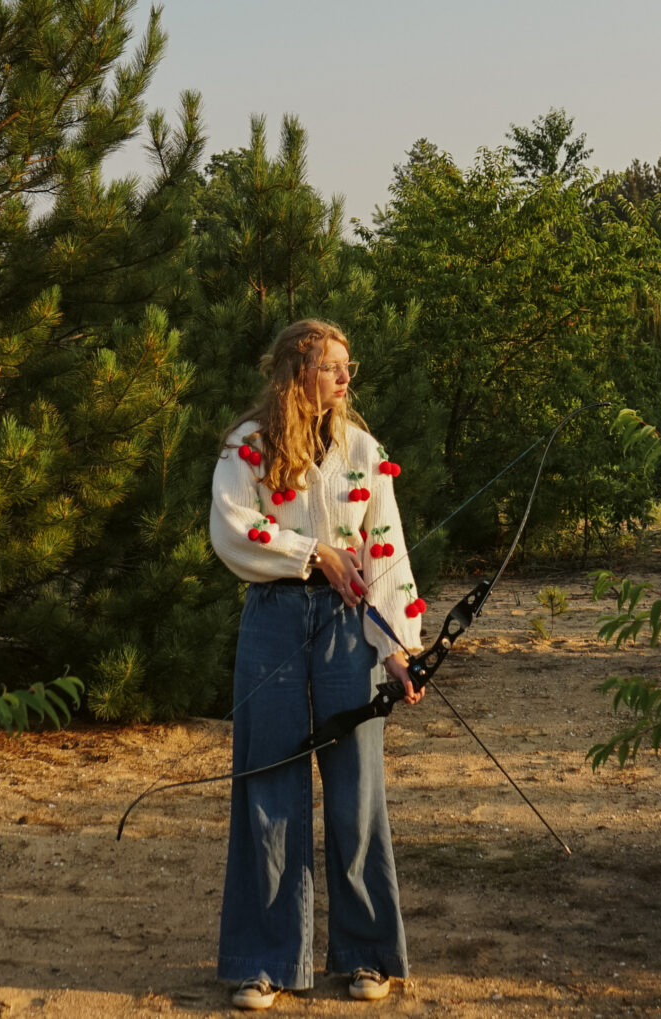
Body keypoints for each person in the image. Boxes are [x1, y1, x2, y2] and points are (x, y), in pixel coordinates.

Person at [206, 319, 428, 1010]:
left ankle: (367, 954)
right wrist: (313, 553)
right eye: (331, 365)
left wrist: (397, 649)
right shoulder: (247, 446)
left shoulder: (363, 449)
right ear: (295, 371)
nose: (344, 377)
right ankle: (263, 960)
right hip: (273, 617)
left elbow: (384, 549)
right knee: (267, 779)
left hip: (347, 626)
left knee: (356, 785)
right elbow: (233, 526)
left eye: (347, 365)